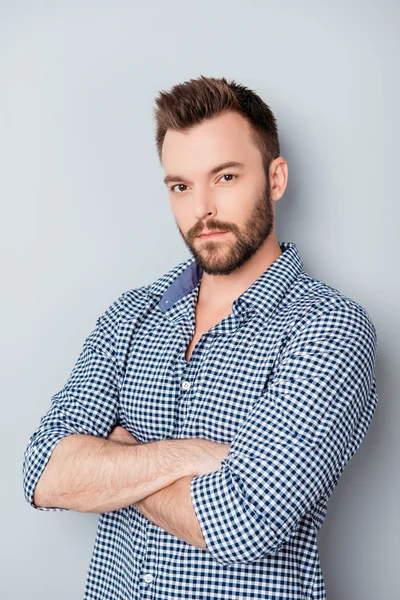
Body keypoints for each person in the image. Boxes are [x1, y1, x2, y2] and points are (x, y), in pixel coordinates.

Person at [22, 75, 379, 600]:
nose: (202, 208)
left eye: (226, 177)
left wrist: (117, 460)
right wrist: (185, 455)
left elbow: (243, 522)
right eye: (181, 186)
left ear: (275, 179)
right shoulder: (130, 316)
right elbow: (43, 473)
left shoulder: (328, 329)